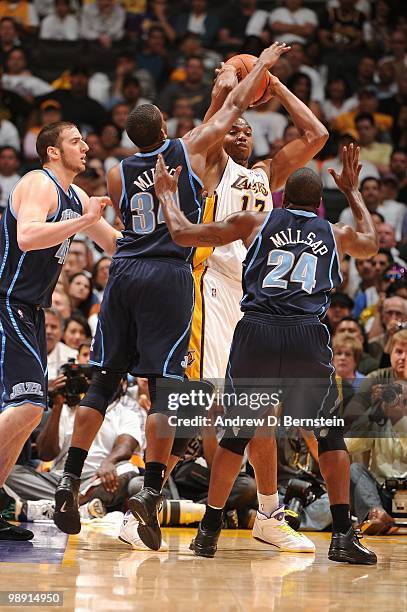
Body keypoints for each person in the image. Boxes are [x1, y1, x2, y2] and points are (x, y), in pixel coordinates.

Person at [53, 42, 292, 538]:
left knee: (103, 381)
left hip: (122, 271)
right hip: (168, 274)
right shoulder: (185, 151)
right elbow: (229, 111)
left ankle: (68, 477)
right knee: (166, 389)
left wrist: (224, 87)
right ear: (166, 130)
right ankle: (152, 489)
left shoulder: (118, 174)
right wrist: (261, 67)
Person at [121, 57, 329, 553]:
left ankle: (268, 513)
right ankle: (142, 505)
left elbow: (316, 134)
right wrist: (229, 89)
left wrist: (273, 83)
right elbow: (211, 125)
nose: (238, 133)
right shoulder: (210, 166)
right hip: (209, 290)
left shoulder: (263, 173)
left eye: (246, 129)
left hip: (254, 302)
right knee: (196, 409)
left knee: (258, 411)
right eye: (230, 128)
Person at [155, 143, 378, 564]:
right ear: (317, 205)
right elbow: (370, 245)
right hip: (304, 337)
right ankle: (343, 533)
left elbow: (183, 233)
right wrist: (352, 191)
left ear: (282, 199)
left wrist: (167, 195)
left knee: (238, 434)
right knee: (327, 434)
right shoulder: (333, 232)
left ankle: (208, 531)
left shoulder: (254, 221)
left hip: (256, 332)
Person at [0, 121, 121, 541]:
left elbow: (115, 246)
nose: (86, 146)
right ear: (54, 151)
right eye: (75, 141)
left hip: (32, 310)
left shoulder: (78, 196)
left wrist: (171, 242)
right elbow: (28, 236)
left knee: (31, 410)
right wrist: (81, 221)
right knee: (31, 403)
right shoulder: (38, 183)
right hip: (8, 302)